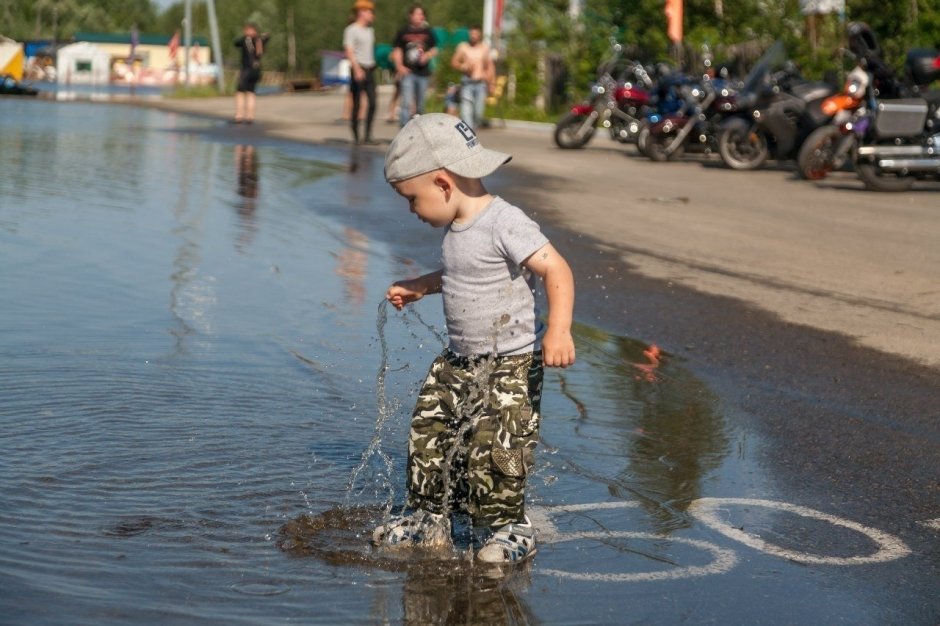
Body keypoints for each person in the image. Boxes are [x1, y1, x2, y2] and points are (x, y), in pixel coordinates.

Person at [373, 114, 576, 564]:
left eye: (412, 199)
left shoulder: (506, 221)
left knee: (497, 445)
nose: (412, 210)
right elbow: (462, 273)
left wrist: (558, 330)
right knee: (429, 428)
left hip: (510, 363)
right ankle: (430, 516)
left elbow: (556, 268)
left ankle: (511, 527)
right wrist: (422, 285)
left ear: (443, 184)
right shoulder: (457, 227)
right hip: (461, 359)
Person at [391, 5, 438, 127]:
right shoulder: (403, 32)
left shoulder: (428, 32)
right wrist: (399, 66)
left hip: (423, 73)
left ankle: (420, 132)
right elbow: (397, 50)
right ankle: (403, 131)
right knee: (406, 103)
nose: (420, 17)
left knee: (420, 105)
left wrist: (427, 55)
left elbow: (435, 49)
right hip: (408, 72)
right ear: (410, 16)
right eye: (417, 14)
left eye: (422, 14)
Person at [343, 0, 377, 144]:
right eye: (370, 12)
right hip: (358, 68)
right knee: (357, 103)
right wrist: (356, 69)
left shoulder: (370, 30)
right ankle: (356, 136)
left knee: (373, 102)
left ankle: (367, 135)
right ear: (361, 12)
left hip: (370, 68)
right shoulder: (351, 30)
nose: (372, 15)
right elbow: (349, 50)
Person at [450, 25, 495, 130]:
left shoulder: (484, 48)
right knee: (466, 114)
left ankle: (473, 129)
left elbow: (490, 66)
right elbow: (453, 62)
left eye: (476, 33)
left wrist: (492, 83)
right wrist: (463, 66)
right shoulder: (463, 47)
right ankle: (468, 137)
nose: (473, 36)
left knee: (478, 114)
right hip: (467, 83)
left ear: (479, 35)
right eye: (472, 33)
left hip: (480, 84)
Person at [233, 22, 269, 124]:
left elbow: (236, 43)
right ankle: (250, 116)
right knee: (251, 92)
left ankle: (239, 116)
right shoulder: (260, 40)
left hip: (247, 69)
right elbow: (267, 37)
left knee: (240, 92)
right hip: (257, 69)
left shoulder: (246, 40)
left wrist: (246, 36)